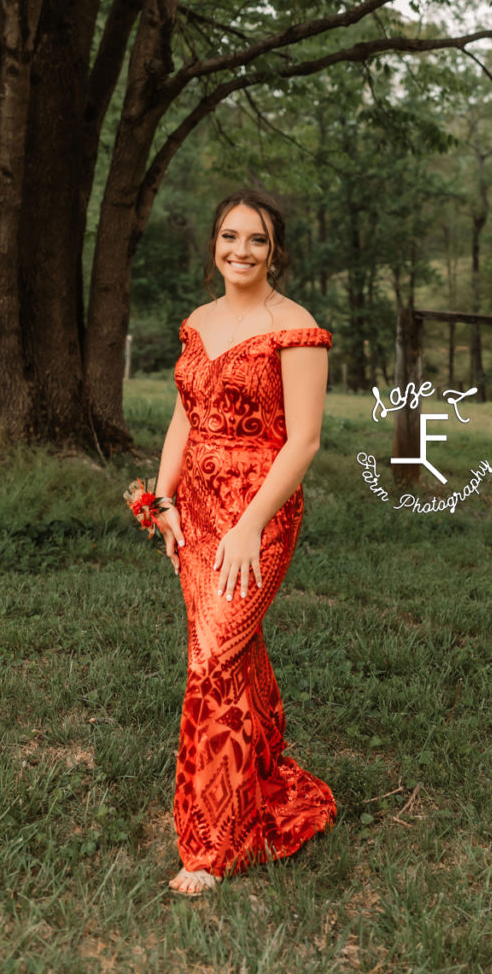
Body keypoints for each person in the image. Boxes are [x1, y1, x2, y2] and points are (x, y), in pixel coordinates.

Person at [155, 189, 336, 897]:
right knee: (231, 652)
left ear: (274, 250)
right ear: (213, 244)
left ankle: (214, 841)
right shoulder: (198, 321)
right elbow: (183, 415)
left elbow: (305, 440)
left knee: (214, 654)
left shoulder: (295, 328)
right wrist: (164, 498)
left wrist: (248, 526)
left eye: (255, 240)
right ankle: (259, 781)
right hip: (196, 510)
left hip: (256, 512)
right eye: (228, 236)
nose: (240, 251)